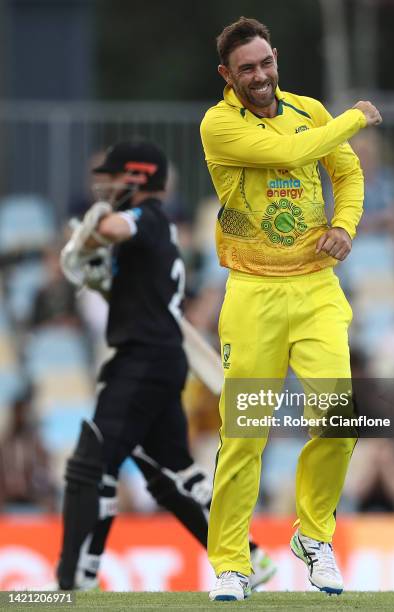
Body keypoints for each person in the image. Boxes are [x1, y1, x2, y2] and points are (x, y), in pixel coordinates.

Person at [200, 17, 382, 601]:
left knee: (337, 418)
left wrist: (345, 227)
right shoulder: (220, 124)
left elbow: (347, 174)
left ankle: (313, 536)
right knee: (247, 433)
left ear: (276, 58)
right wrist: (356, 116)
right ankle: (232, 562)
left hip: (317, 291)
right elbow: (293, 150)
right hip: (253, 293)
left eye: (265, 63)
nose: (259, 76)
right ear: (228, 75)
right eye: (245, 69)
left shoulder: (308, 109)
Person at [56, 141, 275, 591]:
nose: (106, 187)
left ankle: (73, 580)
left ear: (136, 179)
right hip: (160, 358)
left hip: (142, 359)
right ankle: (245, 557)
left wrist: (90, 233)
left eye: (114, 177)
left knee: (94, 462)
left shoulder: (149, 218)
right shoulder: (159, 229)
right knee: (170, 473)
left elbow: (116, 226)